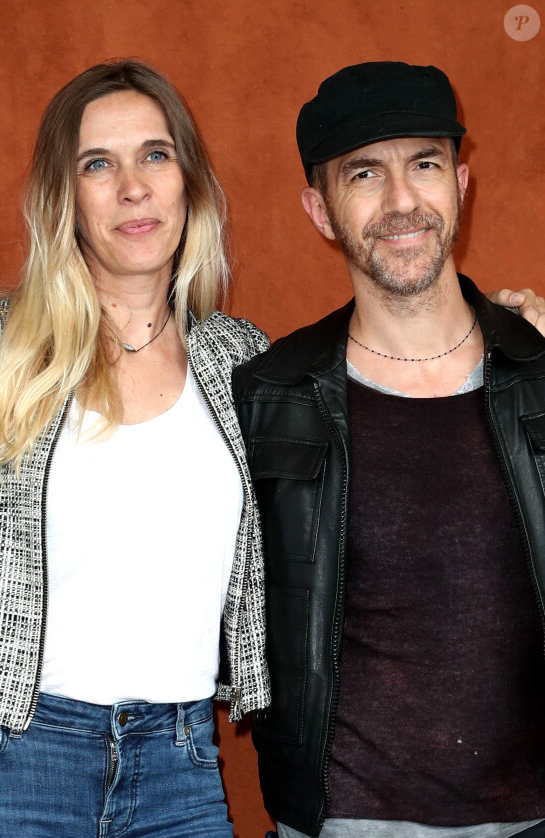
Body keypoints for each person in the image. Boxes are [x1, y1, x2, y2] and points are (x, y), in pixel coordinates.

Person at [232, 62, 545, 838]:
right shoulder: (270, 394)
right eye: (365, 173)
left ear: (461, 184)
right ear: (320, 209)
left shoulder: (540, 369)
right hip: (338, 826)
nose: (402, 201)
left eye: (426, 165)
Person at [0, 59, 271, 837]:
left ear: (188, 183)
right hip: (8, 758)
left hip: (182, 763)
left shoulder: (244, 362)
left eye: (155, 155)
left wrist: (500, 335)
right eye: (97, 164)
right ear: (64, 199)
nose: (133, 186)